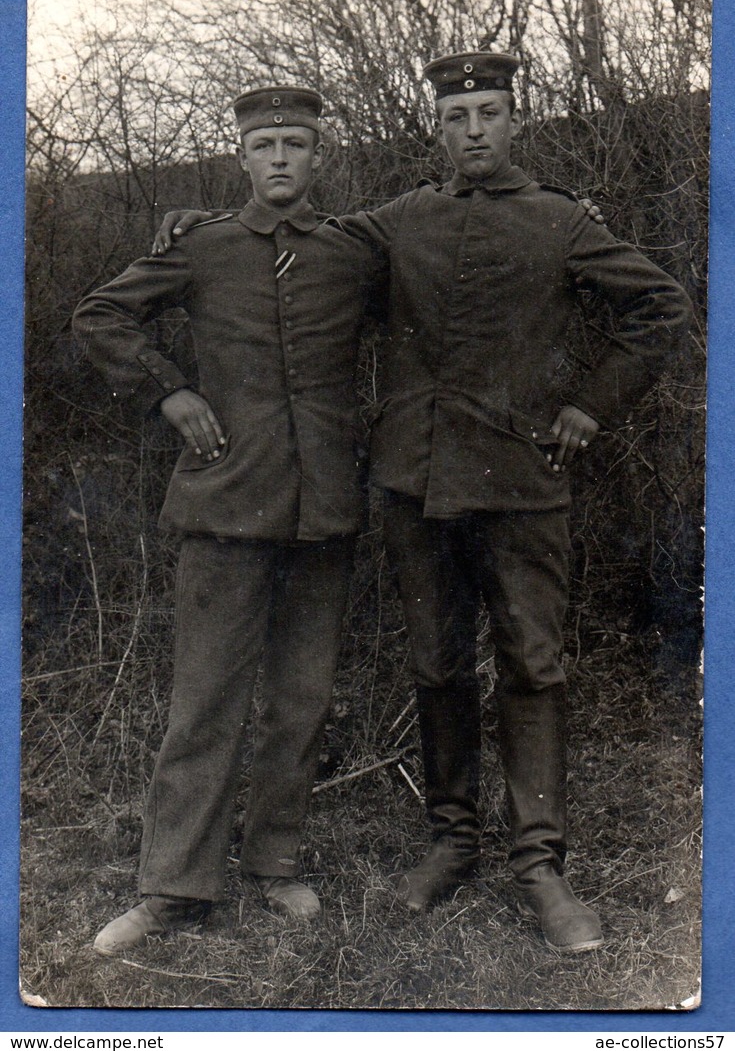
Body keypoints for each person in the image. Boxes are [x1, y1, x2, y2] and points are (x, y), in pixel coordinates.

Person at [153, 53, 691, 953]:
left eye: (488, 113)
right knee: (438, 664)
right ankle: (451, 842)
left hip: (521, 483)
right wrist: (194, 225)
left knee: (532, 664)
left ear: (516, 120)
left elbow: (659, 305)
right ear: (435, 129)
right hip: (412, 487)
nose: (473, 130)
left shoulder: (561, 222)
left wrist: (590, 406)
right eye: (456, 117)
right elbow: (297, 243)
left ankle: (539, 864)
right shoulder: (397, 221)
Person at [73, 86, 385, 955]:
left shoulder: (353, 253)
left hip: (323, 507)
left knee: (301, 700)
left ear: (320, 155)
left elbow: (439, 257)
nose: (280, 158)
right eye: (264, 144)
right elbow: (100, 313)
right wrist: (168, 391)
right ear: (240, 156)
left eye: (296, 143)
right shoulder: (202, 247)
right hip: (224, 504)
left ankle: (274, 864)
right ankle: (173, 888)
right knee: (205, 702)